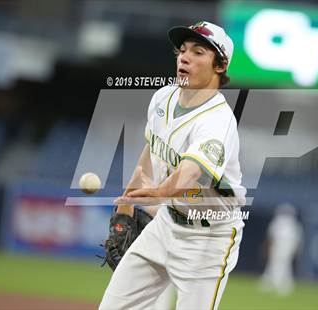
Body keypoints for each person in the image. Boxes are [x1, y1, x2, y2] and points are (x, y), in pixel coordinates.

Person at [99, 21, 246, 310]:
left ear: (220, 66)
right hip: (165, 224)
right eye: (182, 50)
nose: (185, 57)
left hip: (209, 240)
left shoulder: (217, 120)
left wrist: (158, 194)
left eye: (198, 52)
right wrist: (126, 205)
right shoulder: (162, 97)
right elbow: (151, 153)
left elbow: (189, 173)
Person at [260, 203, 303, 296]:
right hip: (284, 246)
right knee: (280, 264)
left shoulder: (280, 222)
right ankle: (272, 283)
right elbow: (297, 240)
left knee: (279, 265)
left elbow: (272, 236)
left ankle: (279, 285)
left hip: (282, 246)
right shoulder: (293, 224)